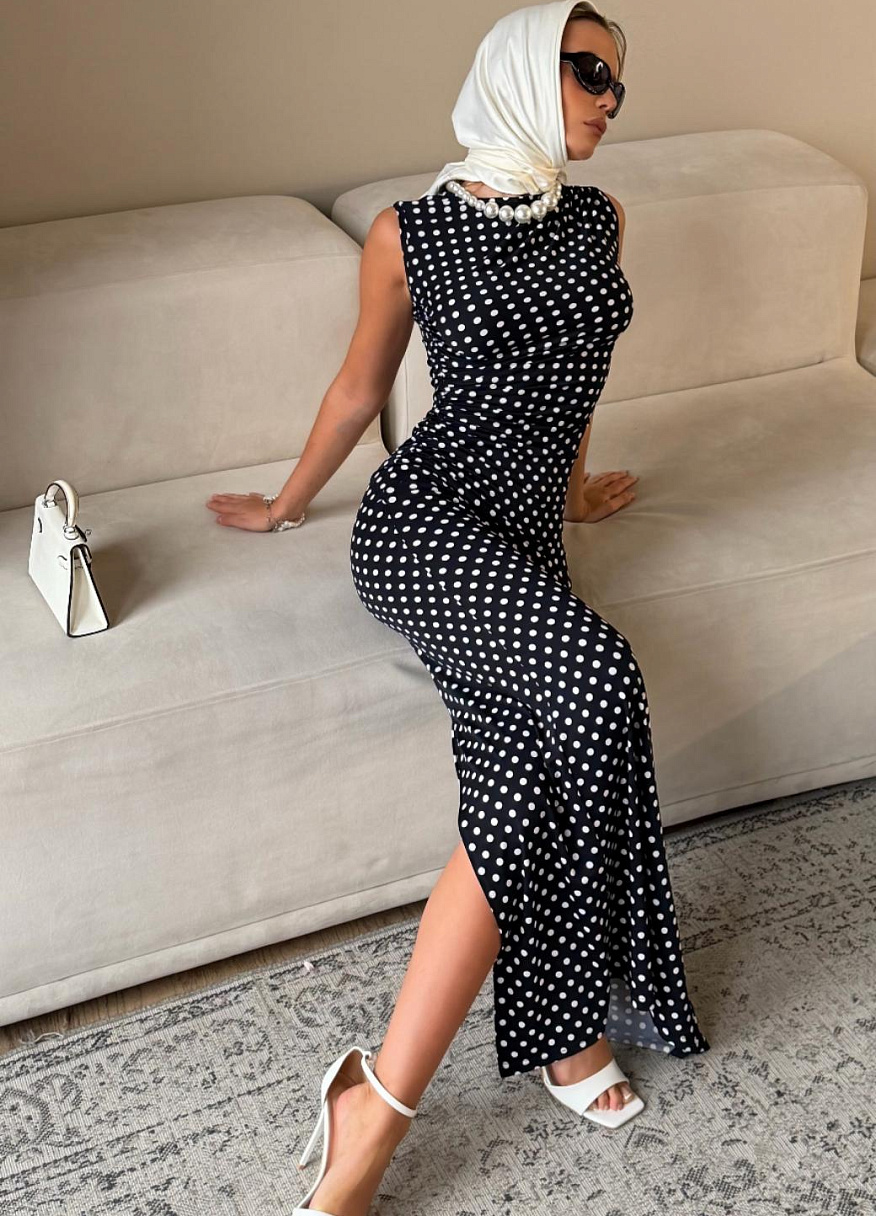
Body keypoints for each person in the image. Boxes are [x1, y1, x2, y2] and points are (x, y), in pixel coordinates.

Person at [206, 3, 711, 1213]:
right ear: (520, 69)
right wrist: (284, 507)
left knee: (525, 763)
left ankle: (377, 1103)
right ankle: (551, 1034)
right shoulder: (411, 231)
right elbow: (358, 389)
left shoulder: (599, 220)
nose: (608, 98)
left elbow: (577, 372)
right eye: (587, 71)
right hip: (424, 526)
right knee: (601, 674)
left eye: (618, 83)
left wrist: (573, 492)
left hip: (524, 546)